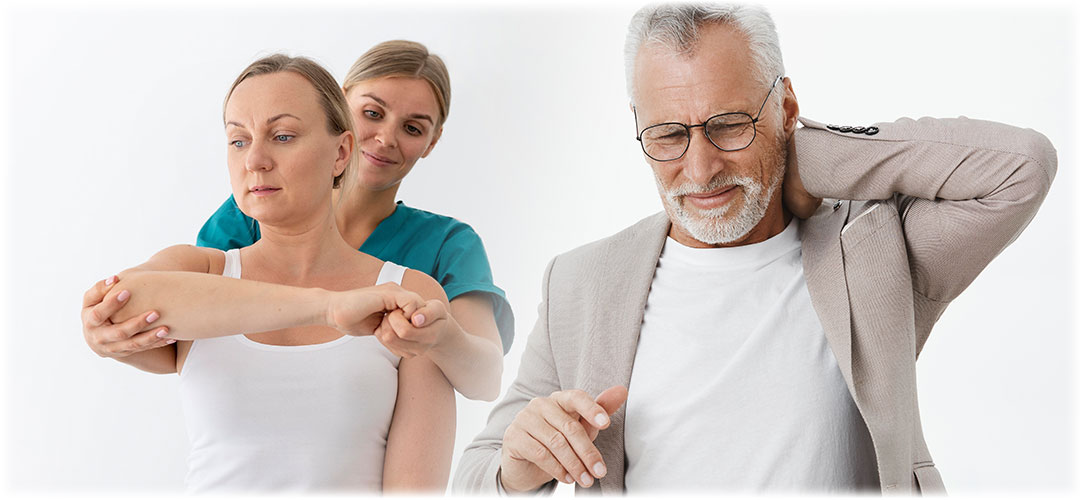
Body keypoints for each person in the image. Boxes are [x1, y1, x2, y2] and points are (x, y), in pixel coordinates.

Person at [454, 3, 1056, 495]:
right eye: (667, 134)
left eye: (730, 124)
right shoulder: (582, 281)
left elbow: (1021, 169)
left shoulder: (873, 251)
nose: (701, 167)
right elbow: (474, 474)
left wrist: (812, 159)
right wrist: (517, 466)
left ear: (786, 107)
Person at [81, 54, 454, 492]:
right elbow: (120, 304)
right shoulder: (202, 269)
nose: (254, 159)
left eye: (282, 136)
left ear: (341, 153)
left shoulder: (408, 293)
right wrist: (328, 307)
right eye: (238, 140)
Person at [81, 40, 510, 402]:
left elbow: (487, 378)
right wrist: (111, 336)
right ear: (340, 109)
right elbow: (186, 345)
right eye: (373, 113)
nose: (385, 138)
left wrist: (441, 338)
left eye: (413, 129)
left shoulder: (446, 245)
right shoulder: (250, 212)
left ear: (431, 143)